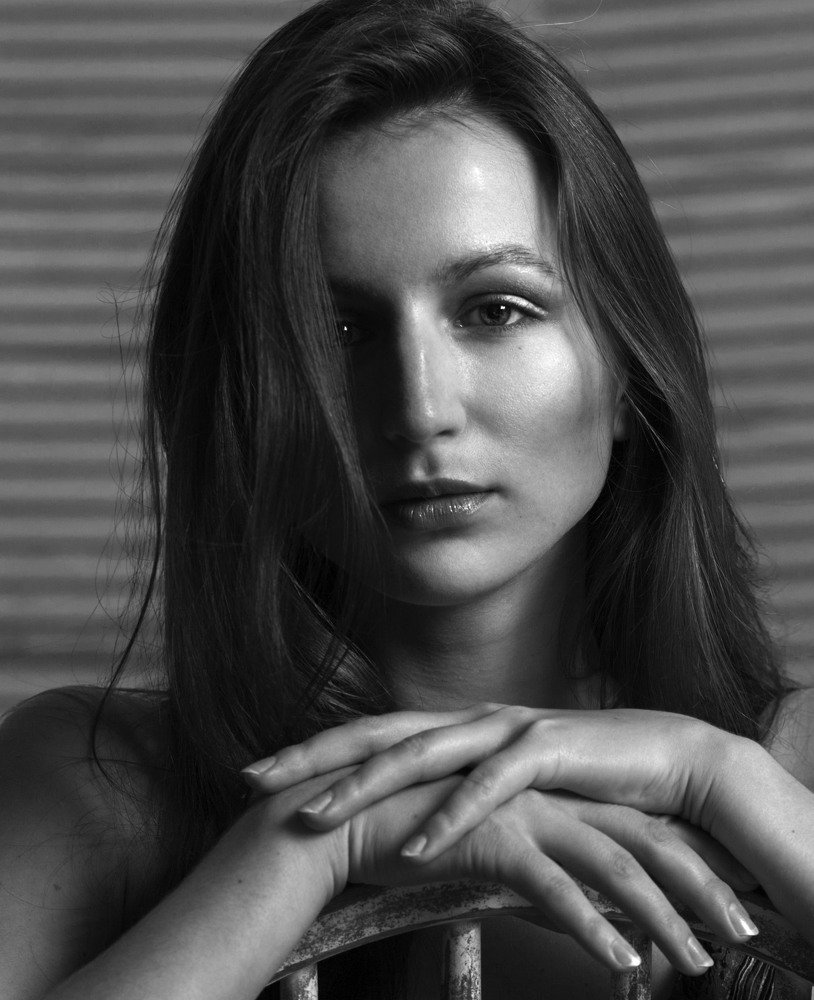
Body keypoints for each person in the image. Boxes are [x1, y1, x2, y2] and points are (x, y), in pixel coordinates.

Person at [1, 0, 813, 997]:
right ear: (237, 398)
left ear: (625, 370)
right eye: (333, 332)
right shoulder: (97, 787)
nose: (419, 410)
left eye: (496, 309)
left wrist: (712, 774)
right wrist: (309, 846)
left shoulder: (791, 768)